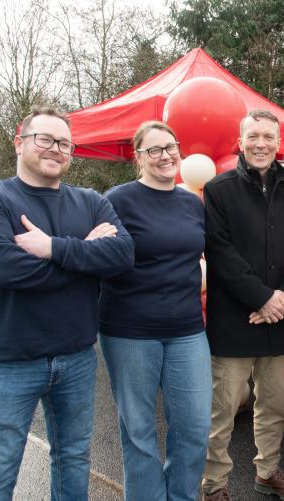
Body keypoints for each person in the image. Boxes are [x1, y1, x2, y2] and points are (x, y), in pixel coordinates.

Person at [0, 106, 134, 500]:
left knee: (73, 460)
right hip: (7, 362)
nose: (55, 149)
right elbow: (4, 270)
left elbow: (122, 256)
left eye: (64, 143)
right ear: (19, 143)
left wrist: (52, 248)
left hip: (75, 357)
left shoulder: (90, 202)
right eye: (45, 139)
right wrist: (86, 255)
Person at [98, 121, 211, 501]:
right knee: (139, 431)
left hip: (187, 329)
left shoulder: (191, 202)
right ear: (139, 157)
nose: (165, 156)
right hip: (130, 330)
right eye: (154, 150)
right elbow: (98, 254)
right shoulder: (117, 200)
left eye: (171, 147)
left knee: (194, 426)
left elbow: (201, 254)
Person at [201, 109, 284, 501]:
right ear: (240, 140)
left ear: (279, 143)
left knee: (274, 405)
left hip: (280, 321)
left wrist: (282, 296)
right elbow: (219, 251)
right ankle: (214, 485)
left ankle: (267, 471)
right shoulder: (218, 189)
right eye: (253, 136)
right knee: (223, 412)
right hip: (234, 321)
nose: (261, 144)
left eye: (268, 137)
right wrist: (263, 298)